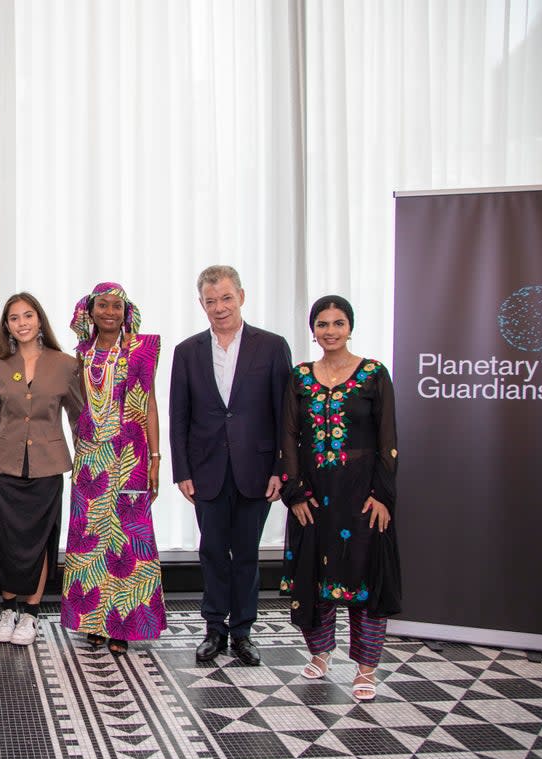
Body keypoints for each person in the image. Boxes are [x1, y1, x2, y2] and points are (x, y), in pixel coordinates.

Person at [280, 295, 401, 702]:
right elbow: (289, 438)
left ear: (350, 327)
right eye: (322, 324)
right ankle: (319, 654)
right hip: (314, 495)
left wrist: (383, 497)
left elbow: (389, 441)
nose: (330, 331)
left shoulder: (372, 375)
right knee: (314, 574)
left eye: (338, 323)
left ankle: (366, 667)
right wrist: (294, 493)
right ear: (313, 330)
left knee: (363, 578)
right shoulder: (300, 377)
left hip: (361, 496)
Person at [169, 265, 291, 666]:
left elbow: (284, 415)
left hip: (256, 470)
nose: (219, 308)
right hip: (206, 471)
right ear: (201, 303)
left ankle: (243, 632)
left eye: (225, 298)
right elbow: (179, 417)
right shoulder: (186, 351)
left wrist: (280, 467)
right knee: (212, 553)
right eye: (210, 301)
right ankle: (213, 630)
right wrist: (182, 471)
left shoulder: (272, 347)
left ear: (242, 296)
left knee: (247, 555)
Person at [60, 283, 166, 655]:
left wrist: (155, 458)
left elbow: (150, 404)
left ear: (126, 312)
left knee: (127, 538)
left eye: (116, 306)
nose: (109, 312)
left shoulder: (142, 350)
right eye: (102, 305)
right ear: (89, 311)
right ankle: (94, 621)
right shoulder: (81, 353)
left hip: (132, 455)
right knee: (91, 538)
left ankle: (123, 625)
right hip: (91, 457)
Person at [0, 293, 83, 647]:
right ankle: (8, 608)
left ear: (39, 320)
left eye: (28, 315)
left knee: (40, 543)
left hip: (47, 466)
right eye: (14, 318)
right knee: (7, 541)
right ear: (6, 325)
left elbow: (78, 416)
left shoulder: (66, 364)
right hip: (7, 466)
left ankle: (30, 614)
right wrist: (2, 450)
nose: (22, 322)